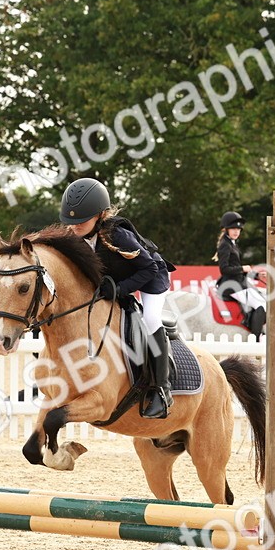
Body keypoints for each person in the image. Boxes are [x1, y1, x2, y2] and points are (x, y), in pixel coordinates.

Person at [59, 177, 175, 419]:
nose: (75, 226)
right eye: (71, 221)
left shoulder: (117, 236)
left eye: (81, 220)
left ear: (100, 215)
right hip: (117, 280)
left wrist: (121, 290)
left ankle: (160, 390)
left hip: (151, 278)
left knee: (150, 319)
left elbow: (149, 269)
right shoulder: (75, 237)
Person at [213, 210, 265, 337]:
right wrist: (242, 268)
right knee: (261, 305)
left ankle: (255, 327)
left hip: (238, 283)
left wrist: (257, 275)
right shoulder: (225, 245)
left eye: (238, 229)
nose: (236, 231)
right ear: (226, 229)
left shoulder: (233, 244)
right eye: (233, 229)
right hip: (230, 286)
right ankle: (256, 339)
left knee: (262, 299)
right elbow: (224, 269)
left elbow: (238, 270)